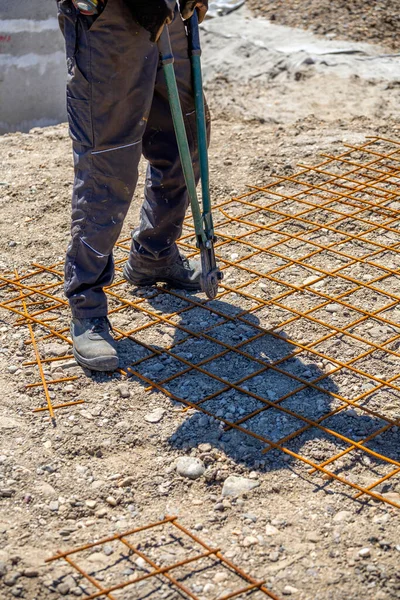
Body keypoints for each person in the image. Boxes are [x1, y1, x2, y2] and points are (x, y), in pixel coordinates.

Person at [56, 0, 209, 372]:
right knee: (108, 167)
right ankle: (86, 303)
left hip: (167, 13)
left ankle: (153, 255)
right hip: (107, 20)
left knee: (184, 142)